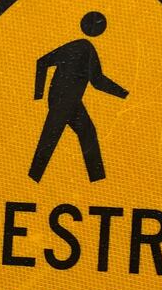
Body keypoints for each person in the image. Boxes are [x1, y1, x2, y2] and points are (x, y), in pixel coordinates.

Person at [29, 10, 129, 184]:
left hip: (67, 99)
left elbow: (42, 62)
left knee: (87, 132)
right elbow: (97, 81)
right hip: (64, 100)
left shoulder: (78, 46)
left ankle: (98, 181)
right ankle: (31, 180)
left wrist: (41, 95)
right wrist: (124, 94)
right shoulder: (85, 48)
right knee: (49, 140)